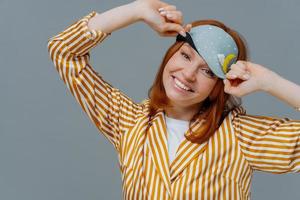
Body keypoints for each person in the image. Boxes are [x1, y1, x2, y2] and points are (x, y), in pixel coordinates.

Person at [47, 0, 300, 199]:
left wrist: (271, 82)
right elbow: (64, 51)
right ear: (172, 54)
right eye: (186, 56)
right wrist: (136, 10)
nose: (188, 75)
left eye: (208, 71)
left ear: (219, 86)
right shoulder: (129, 121)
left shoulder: (241, 136)